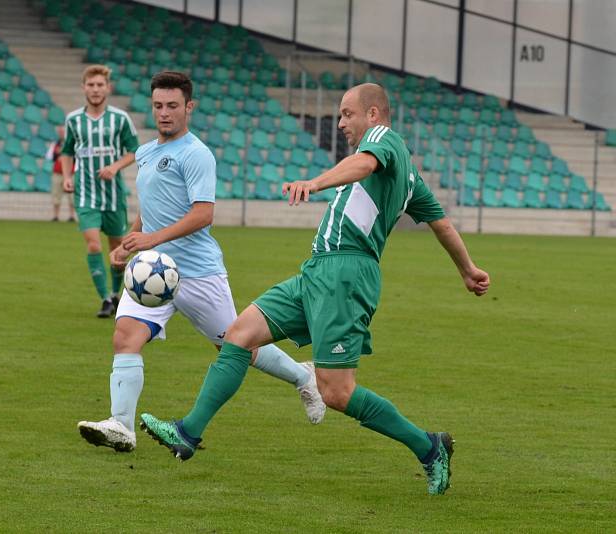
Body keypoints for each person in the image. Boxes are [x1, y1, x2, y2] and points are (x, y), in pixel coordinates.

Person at [140, 83, 491, 496]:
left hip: (346, 274)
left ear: (374, 114)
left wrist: (317, 181)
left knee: (337, 392)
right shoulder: (408, 176)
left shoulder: (383, 141)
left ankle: (429, 447)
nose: (341, 123)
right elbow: (442, 223)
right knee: (239, 335)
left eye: (347, 113)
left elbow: (362, 166)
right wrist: (467, 269)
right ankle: (188, 433)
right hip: (317, 272)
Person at [76, 71, 325, 453]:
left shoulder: (196, 154)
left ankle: (303, 376)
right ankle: (122, 426)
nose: (164, 113)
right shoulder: (144, 152)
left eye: (173, 106)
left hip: (197, 273)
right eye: (158, 106)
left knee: (236, 345)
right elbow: (150, 206)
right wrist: (131, 241)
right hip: (151, 273)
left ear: (188, 107)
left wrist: (151, 240)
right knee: (125, 336)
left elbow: (203, 214)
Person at [61, 64, 138, 318]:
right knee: (93, 245)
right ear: (84, 88)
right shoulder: (74, 120)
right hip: (85, 194)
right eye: (91, 85)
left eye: (99, 85)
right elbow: (67, 152)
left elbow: (134, 151)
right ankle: (105, 298)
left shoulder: (120, 119)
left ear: (108, 88)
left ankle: (117, 295)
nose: (95, 90)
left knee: (117, 248)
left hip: (114, 194)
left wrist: (115, 167)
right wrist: (66, 176)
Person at [46, 125, 76, 222]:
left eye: (63, 132)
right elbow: (49, 157)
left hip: (70, 173)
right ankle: (56, 215)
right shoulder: (55, 144)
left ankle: (72, 216)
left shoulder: (73, 143)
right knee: (56, 195)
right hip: (57, 173)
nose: (61, 134)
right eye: (60, 132)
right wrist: (57, 155)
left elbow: (76, 157)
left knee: (72, 196)